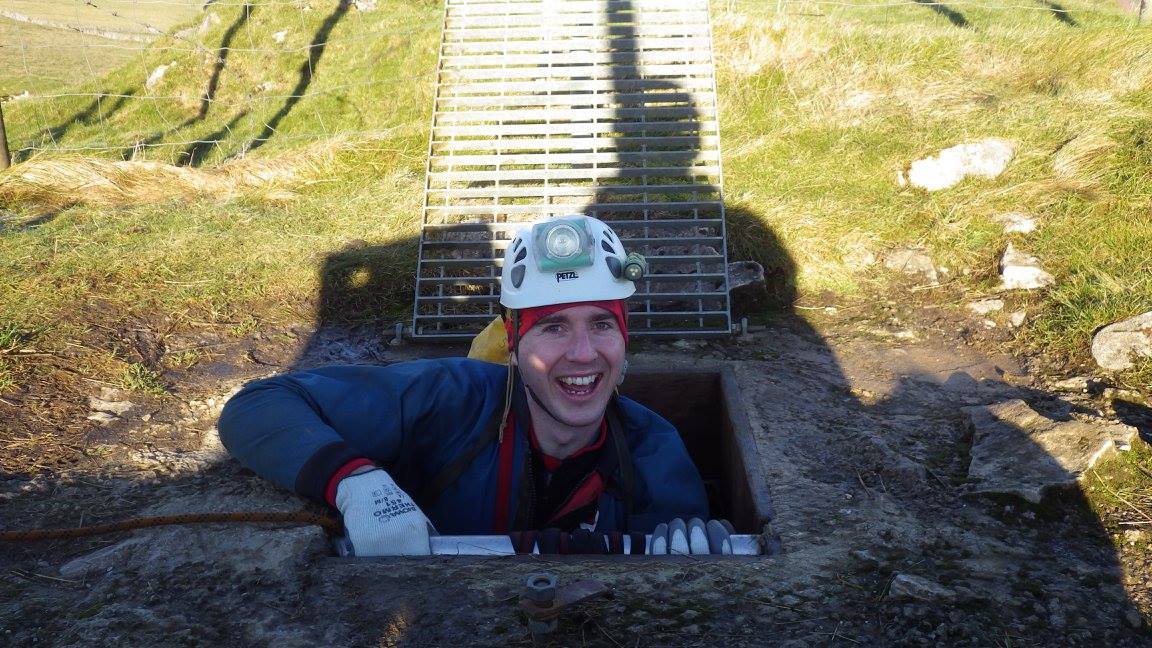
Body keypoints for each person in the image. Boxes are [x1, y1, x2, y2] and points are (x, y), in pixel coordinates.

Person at [218, 215, 712, 556]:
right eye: (553, 327)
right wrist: (355, 483)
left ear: (624, 339)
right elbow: (260, 405)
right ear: (513, 344)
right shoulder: (452, 400)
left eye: (602, 325)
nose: (583, 353)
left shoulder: (655, 451)